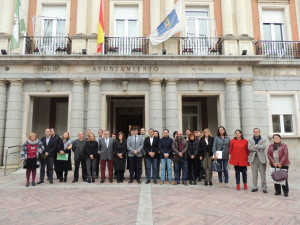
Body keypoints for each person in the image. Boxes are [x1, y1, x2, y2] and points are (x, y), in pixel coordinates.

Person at [248, 128, 268, 193]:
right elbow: (249, 148)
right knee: (254, 174)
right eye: (255, 132)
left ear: (259, 132)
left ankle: (264, 188)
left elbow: (264, 146)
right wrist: (259, 149)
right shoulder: (250, 139)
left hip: (261, 159)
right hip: (253, 158)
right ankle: (254, 187)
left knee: (263, 174)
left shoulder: (263, 139)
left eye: (257, 131)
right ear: (253, 132)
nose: (256, 132)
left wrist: (255, 146)